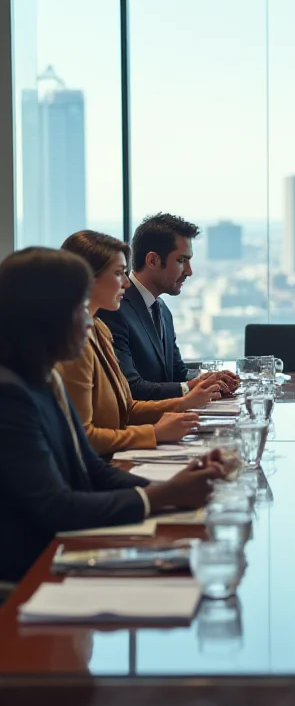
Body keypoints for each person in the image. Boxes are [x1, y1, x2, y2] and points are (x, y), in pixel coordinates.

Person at [0, 247, 226, 584]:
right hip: (31, 576)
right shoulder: (10, 394)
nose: (90, 320)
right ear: (45, 316)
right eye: (80, 309)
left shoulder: (45, 378)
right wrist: (162, 496)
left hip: (65, 553)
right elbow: (57, 507)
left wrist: (172, 489)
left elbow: (89, 469)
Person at [58, 231, 224, 456]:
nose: (126, 282)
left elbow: (127, 408)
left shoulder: (99, 329)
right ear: (86, 278)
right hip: (98, 467)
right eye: (119, 274)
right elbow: (82, 436)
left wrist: (185, 402)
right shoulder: (73, 344)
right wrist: (154, 433)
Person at [98, 213, 238, 401]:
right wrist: (190, 387)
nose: (189, 271)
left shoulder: (162, 309)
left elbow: (176, 373)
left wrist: (207, 379)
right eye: (181, 261)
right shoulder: (115, 309)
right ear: (153, 261)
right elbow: (130, 388)